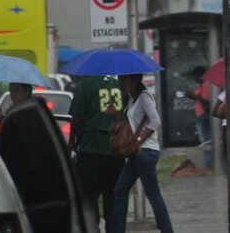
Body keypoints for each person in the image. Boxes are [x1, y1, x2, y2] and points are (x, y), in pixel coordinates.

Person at [106, 74, 173, 233]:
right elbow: (130, 122)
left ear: (133, 82)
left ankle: (167, 230)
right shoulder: (132, 99)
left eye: (123, 81)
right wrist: (115, 113)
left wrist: (139, 140)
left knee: (153, 194)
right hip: (138, 153)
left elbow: (155, 121)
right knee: (120, 189)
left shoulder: (144, 98)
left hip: (146, 152)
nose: (121, 85)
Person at [69, 75, 125, 233]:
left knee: (89, 194)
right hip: (115, 148)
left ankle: (93, 227)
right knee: (112, 194)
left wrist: (72, 142)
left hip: (90, 147)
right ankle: (113, 228)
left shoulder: (85, 86)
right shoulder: (119, 85)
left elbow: (77, 117)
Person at [184, 65, 212, 168]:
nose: (194, 79)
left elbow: (206, 100)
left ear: (200, 76)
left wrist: (192, 96)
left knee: (206, 141)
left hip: (204, 116)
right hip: (201, 115)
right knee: (204, 141)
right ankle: (208, 163)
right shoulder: (202, 84)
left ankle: (209, 164)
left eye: (195, 77)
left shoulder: (207, 84)